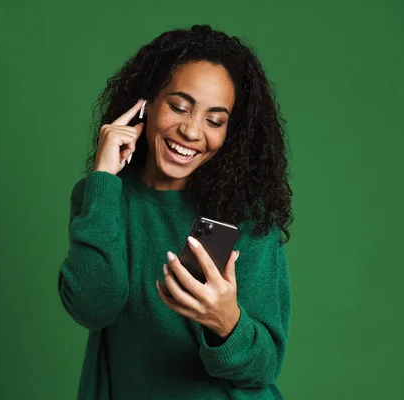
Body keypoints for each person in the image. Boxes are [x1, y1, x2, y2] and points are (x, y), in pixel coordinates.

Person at [58, 24, 293, 400]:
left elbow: (263, 368)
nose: (191, 131)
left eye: (214, 121)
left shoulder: (245, 214)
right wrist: (103, 177)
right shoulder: (103, 197)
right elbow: (92, 307)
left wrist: (226, 322)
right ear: (146, 103)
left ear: (230, 132)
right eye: (179, 107)